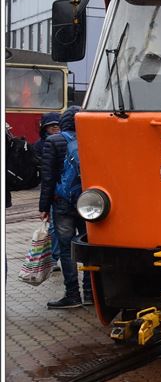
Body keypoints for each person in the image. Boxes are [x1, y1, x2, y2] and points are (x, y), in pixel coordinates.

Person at [38, 106, 89, 309]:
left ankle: (72, 295)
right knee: (88, 247)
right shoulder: (91, 138)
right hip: (89, 204)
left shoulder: (54, 141)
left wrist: (44, 206)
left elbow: (48, 177)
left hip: (63, 203)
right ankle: (91, 292)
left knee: (67, 249)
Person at [31, 112, 62, 268]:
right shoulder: (40, 145)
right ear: (45, 128)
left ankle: (55, 257)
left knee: (57, 227)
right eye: (52, 126)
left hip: (58, 190)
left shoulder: (61, 141)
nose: (55, 128)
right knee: (54, 227)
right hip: (52, 189)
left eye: (57, 125)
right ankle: (54, 258)